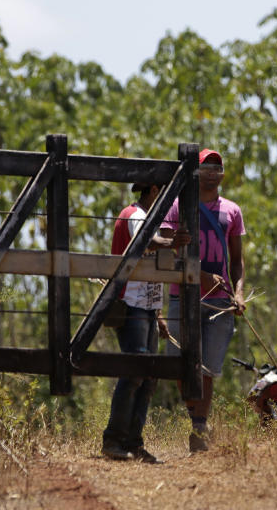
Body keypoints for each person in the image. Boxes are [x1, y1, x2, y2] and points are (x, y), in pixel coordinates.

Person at [161, 148, 247, 453]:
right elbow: (165, 246)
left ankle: (199, 426)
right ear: (194, 173)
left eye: (216, 167)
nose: (211, 172)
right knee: (179, 363)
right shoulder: (176, 207)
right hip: (181, 296)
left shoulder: (232, 211)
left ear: (222, 174)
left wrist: (237, 293)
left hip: (219, 302)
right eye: (205, 167)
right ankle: (193, 416)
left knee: (208, 366)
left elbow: (237, 260)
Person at [102, 182, 190, 462]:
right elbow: (145, 243)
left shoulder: (144, 216)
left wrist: (158, 315)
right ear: (154, 190)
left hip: (146, 307)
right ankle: (115, 439)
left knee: (147, 376)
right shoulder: (136, 215)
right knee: (134, 373)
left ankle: (132, 441)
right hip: (132, 304)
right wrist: (171, 242)